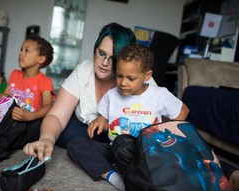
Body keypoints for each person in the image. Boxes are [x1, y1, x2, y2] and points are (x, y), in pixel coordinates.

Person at [67, 44, 189, 191]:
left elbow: (183, 110)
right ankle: (116, 178)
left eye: (131, 78)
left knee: (180, 160)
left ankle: (140, 179)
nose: (123, 83)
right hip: (116, 150)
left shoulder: (159, 95)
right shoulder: (112, 95)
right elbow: (109, 123)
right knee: (76, 145)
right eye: (119, 76)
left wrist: (168, 135)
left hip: (148, 152)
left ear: (147, 76)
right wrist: (101, 120)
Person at [23, 23, 156, 158]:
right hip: (86, 130)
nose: (104, 63)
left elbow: (162, 119)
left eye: (113, 58)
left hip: (124, 136)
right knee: (63, 133)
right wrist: (46, 139)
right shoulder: (84, 70)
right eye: (101, 53)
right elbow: (56, 115)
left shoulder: (141, 79)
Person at [0, 35, 55, 145]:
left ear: (40, 59)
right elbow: (6, 94)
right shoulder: (15, 74)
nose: (21, 53)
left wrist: (31, 116)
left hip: (28, 119)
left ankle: (4, 141)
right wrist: (1, 97)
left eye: (27, 51)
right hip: (11, 117)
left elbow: (48, 106)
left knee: (34, 126)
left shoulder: (45, 81)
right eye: (21, 50)